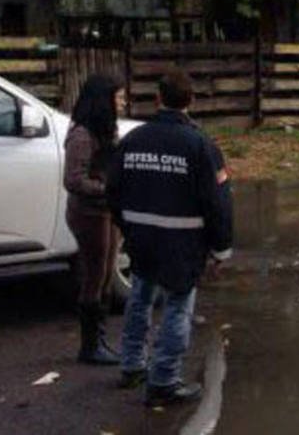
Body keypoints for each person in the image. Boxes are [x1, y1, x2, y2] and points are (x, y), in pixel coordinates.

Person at [107, 69, 233, 407]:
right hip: (182, 245)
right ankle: (163, 380)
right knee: (178, 307)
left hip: (141, 240)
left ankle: (132, 365)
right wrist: (221, 250)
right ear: (191, 101)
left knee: (140, 298)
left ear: (157, 99)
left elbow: (113, 190)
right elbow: (218, 203)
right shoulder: (201, 146)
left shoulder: (132, 140)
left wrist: (129, 227)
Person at [64, 74, 127, 366]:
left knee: (104, 275)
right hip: (88, 212)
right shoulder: (82, 134)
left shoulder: (106, 130)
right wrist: (107, 189)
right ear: (104, 100)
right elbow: (74, 180)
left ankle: (98, 339)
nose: (123, 101)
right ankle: (90, 346)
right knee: (94, 274)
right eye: (118, 96)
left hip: (105, 210)